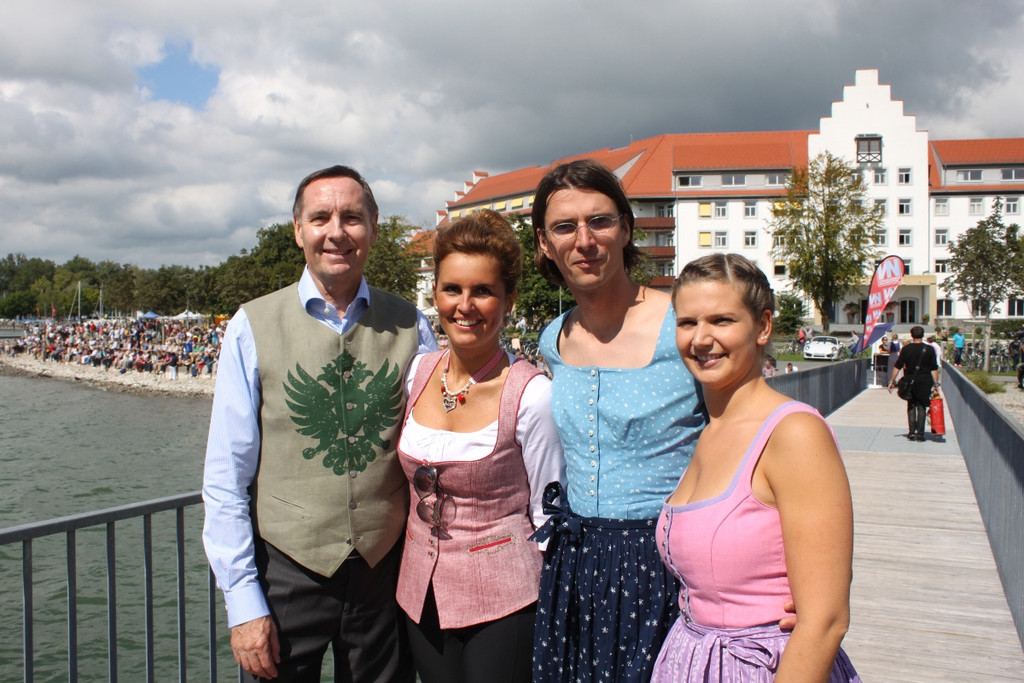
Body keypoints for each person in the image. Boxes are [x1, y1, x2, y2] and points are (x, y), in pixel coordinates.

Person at [202, 165, 437, 681]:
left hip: (385, 572)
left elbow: (435, 447)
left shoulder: (413, 324)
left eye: (352, 217)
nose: (336, 231)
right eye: (320, 217)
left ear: (373, 228)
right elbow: (226, 477)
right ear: (298, 230)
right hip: (286, 572)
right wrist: (243, 603)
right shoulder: (251, 325)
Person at [529, 159, 706, 682]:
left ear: (626, 229)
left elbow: (751, 441)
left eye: (600, 221)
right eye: (565, 227)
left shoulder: (685, 326)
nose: (584, 240)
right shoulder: (553, 339)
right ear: (545, 243)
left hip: (671, 564)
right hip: (578, 565)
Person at [653, 253, 860, 682]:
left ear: (763, 327)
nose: (701, 339)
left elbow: (825, 621)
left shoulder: (794, 434)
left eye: (722, 321)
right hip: (694, 659)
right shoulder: (708, 430)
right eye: (688, 322)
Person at [395, 210, 564, 683]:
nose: (465, 305)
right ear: (436, 295)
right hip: (419, 593)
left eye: (483, 291)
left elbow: (547, 514)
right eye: (453, 289)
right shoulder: (418, 372)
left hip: (504, 601)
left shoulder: (531, 395)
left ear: (508, 300)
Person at [888, 325, 940, 442]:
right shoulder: (929, 349)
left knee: (911, 405)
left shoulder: (906, 349)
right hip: (925, 381)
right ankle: (920, 434)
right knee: (921, 406)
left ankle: (911, 432)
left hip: (910, 380)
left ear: (912, 335)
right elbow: (934, 368)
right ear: (922, 335)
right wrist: (936, 384)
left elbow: (898, 366)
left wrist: (892, 381)